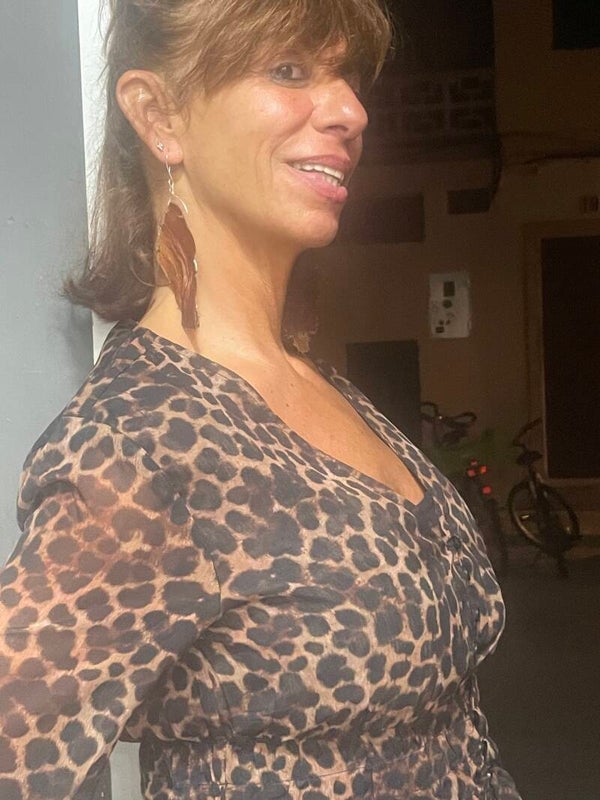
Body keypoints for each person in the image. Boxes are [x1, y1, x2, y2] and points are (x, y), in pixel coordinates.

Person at [0, 1, 522, 798]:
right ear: (160, 115)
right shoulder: (142, 443)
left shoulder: (319, 385)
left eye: (348, 76)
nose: (351, 112)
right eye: (288, 69)